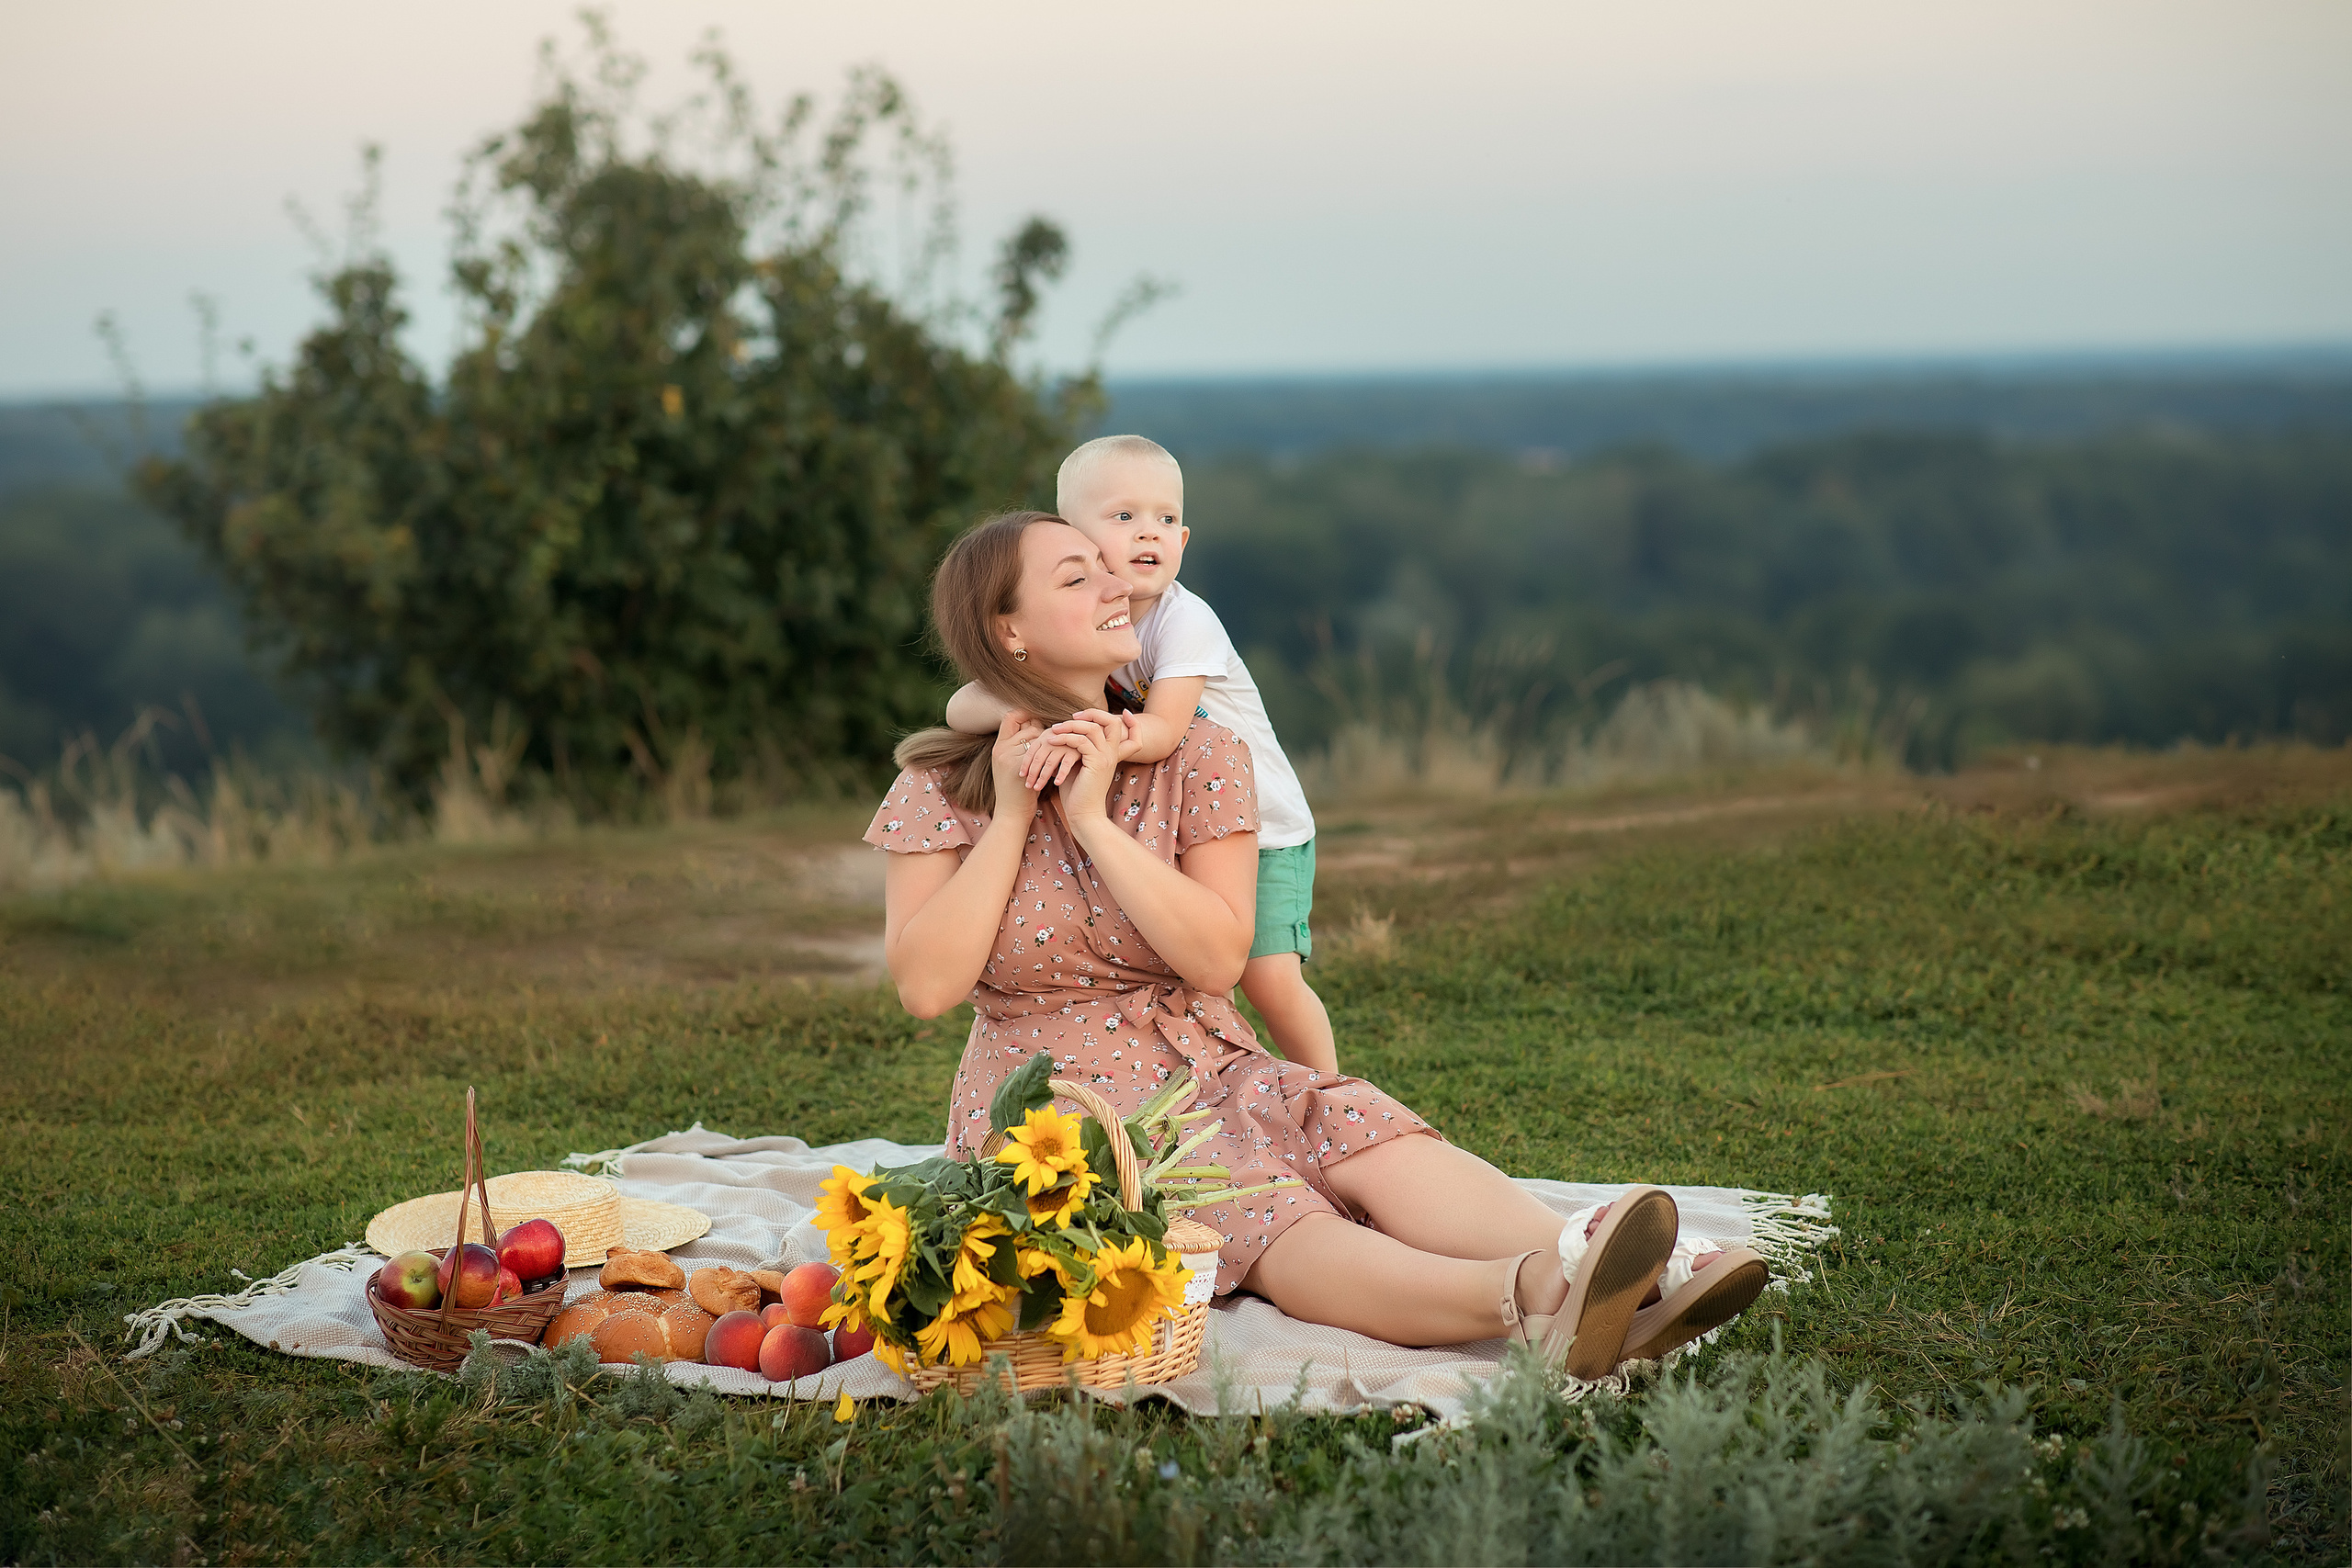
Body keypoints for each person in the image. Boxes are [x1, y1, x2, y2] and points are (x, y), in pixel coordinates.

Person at [869, 510, 1769, 1374]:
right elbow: (925, 985)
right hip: (1063, 1114)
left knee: (1356, 1126)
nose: (1115, 582)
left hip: (1210, 1059)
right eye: (1078, 575)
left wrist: (1097, 822)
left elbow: (1219, 960)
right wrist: (1016, 813)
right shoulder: (939, 782)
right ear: (1008, 629)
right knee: (1265, 1212)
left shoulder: (1201, 755)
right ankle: (1538, 1298)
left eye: (1109, 566)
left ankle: (1648, 1270)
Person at [943, 435, 1336, 1073]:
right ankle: (1233, 1095)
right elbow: (962, 706)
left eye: (1167, 519)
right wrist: (1032, 713)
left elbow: (1162, 731)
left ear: (1184, 542)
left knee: (1268, 980)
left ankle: (1329, 1091)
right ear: (1076, 538)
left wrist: (1086, 732)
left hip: (1264, 830)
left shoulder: (1186, 622)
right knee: (1204, 990)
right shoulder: (1090, 621)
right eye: (1125, 517)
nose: (1150, 533)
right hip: (1188, 824)